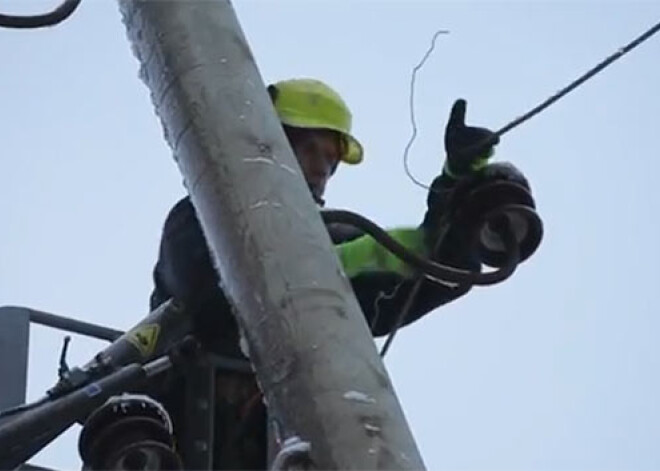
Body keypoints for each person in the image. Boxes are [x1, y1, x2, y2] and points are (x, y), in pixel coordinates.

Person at [149, 78, 532, 469]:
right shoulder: (200, 215)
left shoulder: (333, 235)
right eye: (310, 149)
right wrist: (345, 262)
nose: (321, 170)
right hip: (181, 433)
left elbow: (434, 274)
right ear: (268, 142)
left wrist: (456, 188)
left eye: (331, 160)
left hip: (276, 446)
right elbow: (213, 300)